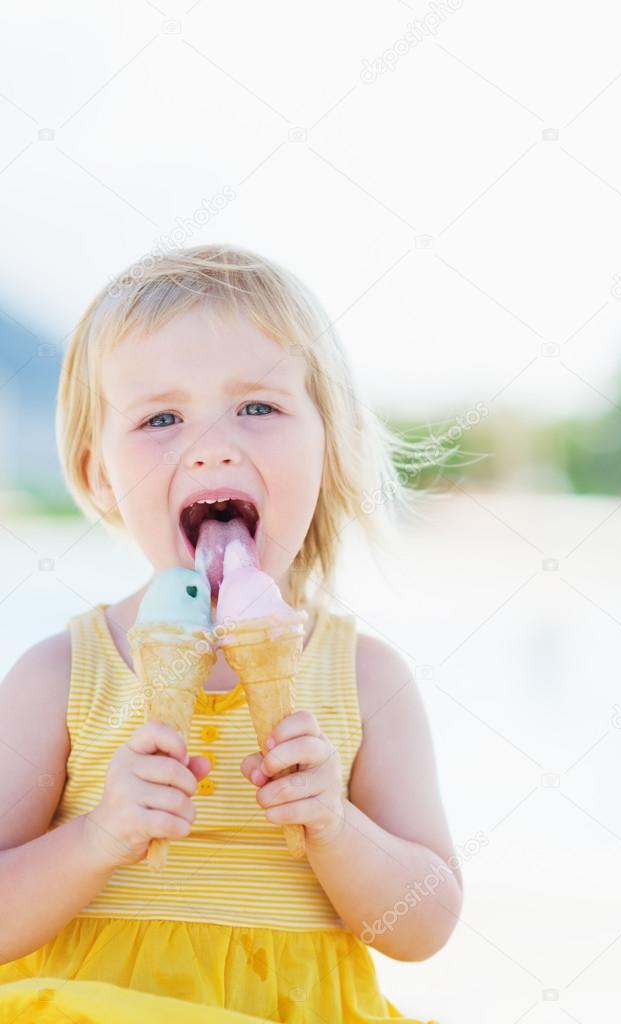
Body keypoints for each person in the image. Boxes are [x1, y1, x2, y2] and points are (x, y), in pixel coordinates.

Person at [0, 245, 463, 1022]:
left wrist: (336, 827)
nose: (212, 445)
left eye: (257, 407)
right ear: (99, 476)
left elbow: (424, 925)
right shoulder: (59, 678)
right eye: (161, 418)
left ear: (329, 442)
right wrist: (99, 837)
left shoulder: (366, 683)